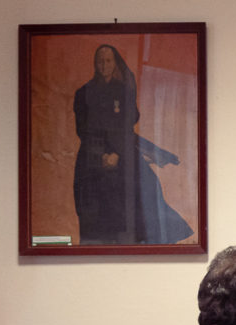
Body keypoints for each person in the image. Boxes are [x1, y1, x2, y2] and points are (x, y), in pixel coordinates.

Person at [72, 43, 193, 245]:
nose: (104, 65)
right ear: (95, 64)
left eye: (108, 61)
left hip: (123, 153)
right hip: (92, 157)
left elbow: (127, 125)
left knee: (147, 190)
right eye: (100, 61)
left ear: (115, 63)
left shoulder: (123, 91)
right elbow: (82, 129)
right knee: (94, 209)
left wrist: (117, 153)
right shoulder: (83, 93)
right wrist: (102, 155)